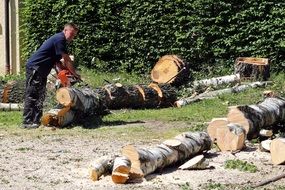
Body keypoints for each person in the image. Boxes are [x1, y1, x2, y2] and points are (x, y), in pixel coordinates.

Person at [22, 22, 81, 129]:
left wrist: (64, 75)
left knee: (41, 95)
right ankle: (27, 122)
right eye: (71, 34)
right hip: (35, 68)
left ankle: (36, 121)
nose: (72, 37)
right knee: (32, 94)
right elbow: (67, 60)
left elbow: (58, 62)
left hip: (41, 70)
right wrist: (75, 74)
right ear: (65, 30)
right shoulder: (59, 39)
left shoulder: (59, 41)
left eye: (74, 36)